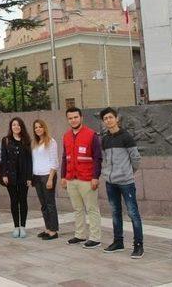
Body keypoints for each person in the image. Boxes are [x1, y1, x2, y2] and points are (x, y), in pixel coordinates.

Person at [100, 107, 144, 259]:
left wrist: (128, 173)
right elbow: (104, 159)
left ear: (116, 118)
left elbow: (136, 159)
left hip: (126, 182)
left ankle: (138, 245)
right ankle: (118, 242)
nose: (108, 120)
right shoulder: (105, 139)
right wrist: (106, 173)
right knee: (115, 212)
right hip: (110, 182)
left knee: (133, 213)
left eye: (110, 117)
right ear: (103, 121)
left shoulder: (126, 137)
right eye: (105, 118)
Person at [61, 107, 103, 249]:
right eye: (70, 118)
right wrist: (63, 176)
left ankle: (95, 238)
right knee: (77, 209)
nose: (73, 120)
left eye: (75, 117)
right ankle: (80, 235)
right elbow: (64, 157)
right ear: (68, 120)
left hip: (87, 178)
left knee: (92, 209)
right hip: (71, 178)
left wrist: (95, 177)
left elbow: (98, 158)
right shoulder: (66, 136)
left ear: (81, 118)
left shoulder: (91, 135)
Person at [0, 117, 33, 239]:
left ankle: (23, 226)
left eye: (18, 125)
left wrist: (30, 177)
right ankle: (16, 227)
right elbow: (3, 159)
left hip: (24, 176)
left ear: (21, 127)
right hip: (11, 177)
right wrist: (4, 174)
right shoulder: (6, 140)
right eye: (14, 125)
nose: (16, 127)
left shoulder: (26, 140)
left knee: (23, 201)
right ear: (11, 127)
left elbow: (30, 160)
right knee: (14, 201)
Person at [31, 119, 60, 240]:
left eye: (40, 127)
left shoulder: (51, 141)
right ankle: (48, 228)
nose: (38, 129)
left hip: (48, 176)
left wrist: (50, 179)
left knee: (50, 204)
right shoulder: (35, 143)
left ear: (44, 128)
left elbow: (54, 161)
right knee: (43, 205)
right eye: (36, 127)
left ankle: (53, 231)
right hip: (37, 176)